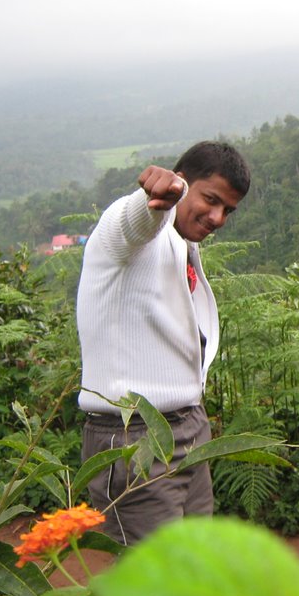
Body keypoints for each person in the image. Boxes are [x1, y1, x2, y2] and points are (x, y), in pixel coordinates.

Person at [76, 141, 251, 544]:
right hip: (134, 439)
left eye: (228, 210)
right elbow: (133, 222)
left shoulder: (182, 244)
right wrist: (157, 196)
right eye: (210, 200)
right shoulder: (126, 236)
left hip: (190, 429)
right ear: (182, 182)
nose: (218, 217)